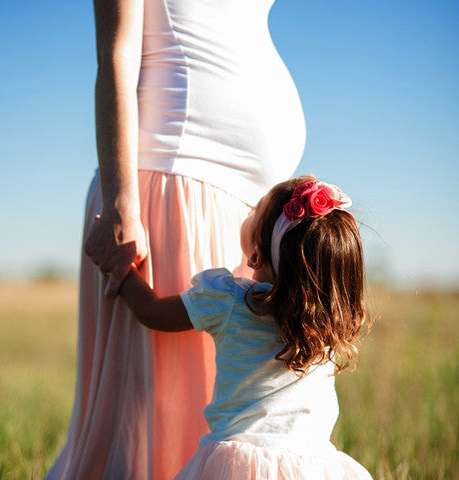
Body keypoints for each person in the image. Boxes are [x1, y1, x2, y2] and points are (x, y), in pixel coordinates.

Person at [45, 0, 305, 478]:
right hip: (168, 184)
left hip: (245, 213)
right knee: (153, 428)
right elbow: (116, 54)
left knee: (219, 414)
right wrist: (123, 199)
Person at [119, 176, 373, 479]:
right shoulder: (328, 326)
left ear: (255, 254)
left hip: (239, 464)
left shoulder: (230, 300)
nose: (249, 212)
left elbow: (152, 312)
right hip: (311, 464)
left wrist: (120, 270)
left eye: (256, 209)